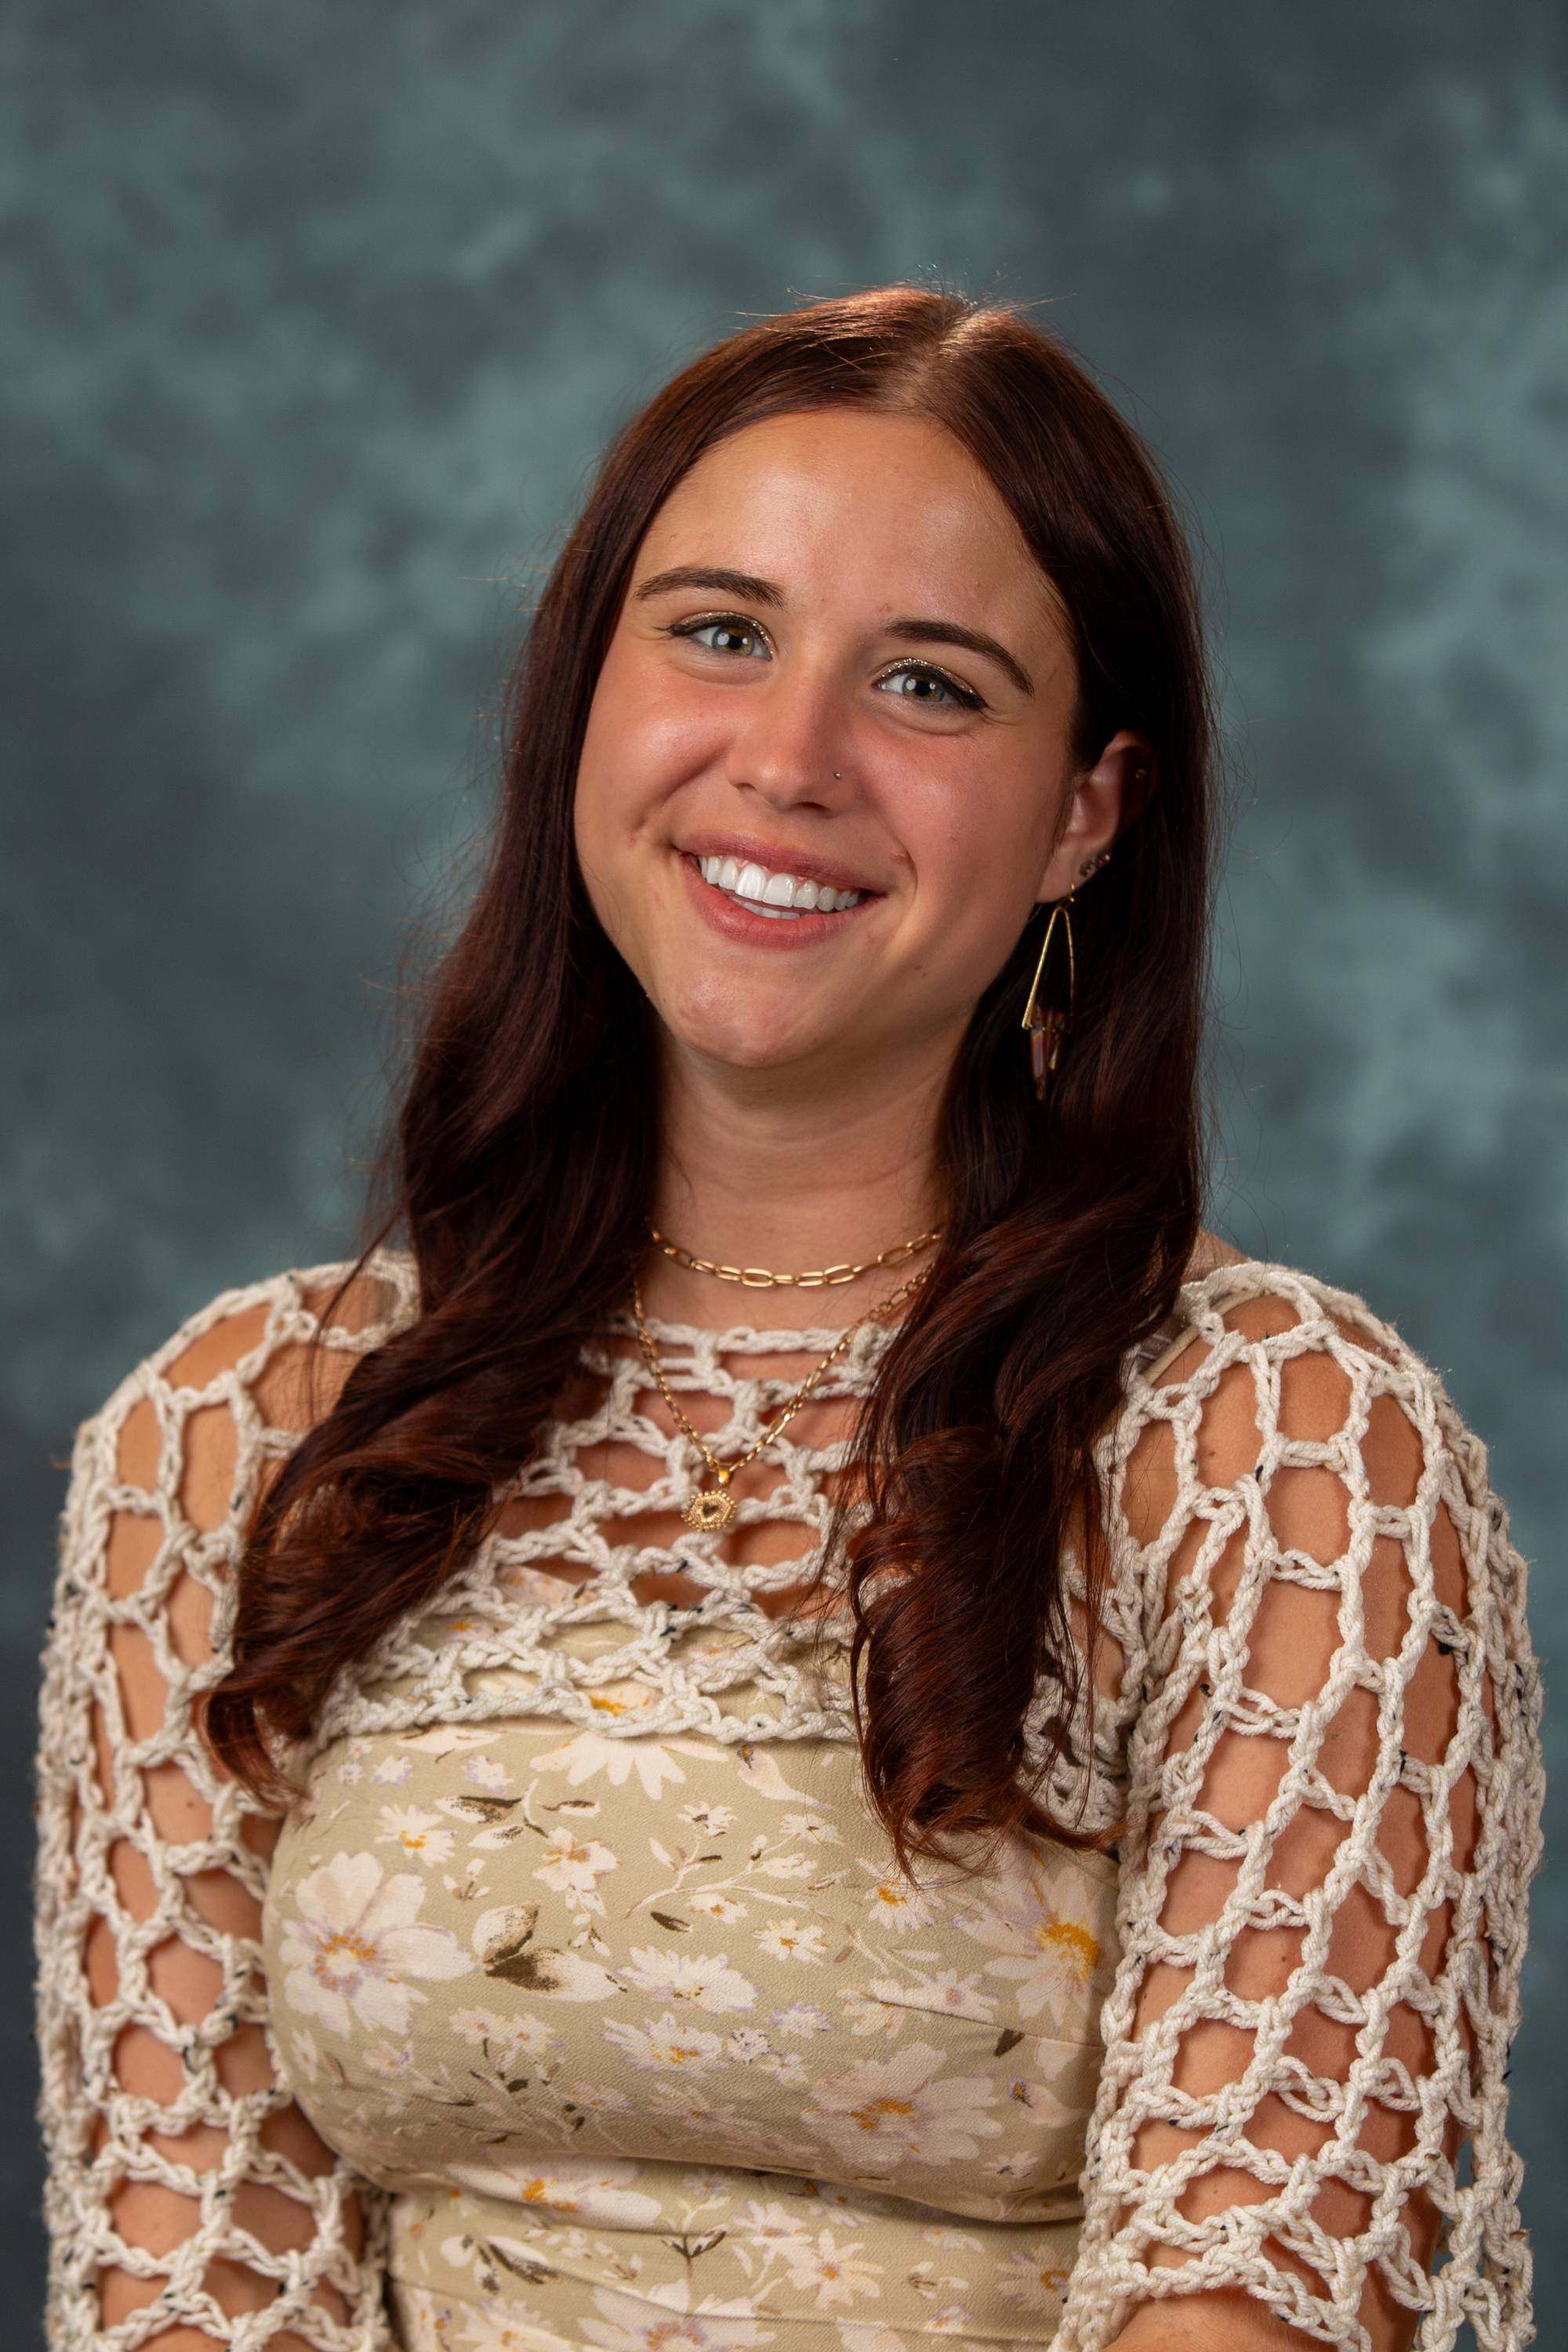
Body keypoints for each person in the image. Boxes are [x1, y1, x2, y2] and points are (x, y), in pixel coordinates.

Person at [34, 285, 1544, 2352]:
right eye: (721, 632)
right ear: (588, 692)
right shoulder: (233, 1436)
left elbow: (1250, 2298)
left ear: (1088, 813)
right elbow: (190, 2282)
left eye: (930, 683)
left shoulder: (1284, 1449)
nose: (791, 759)